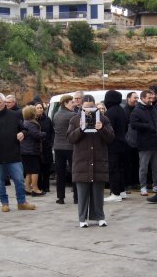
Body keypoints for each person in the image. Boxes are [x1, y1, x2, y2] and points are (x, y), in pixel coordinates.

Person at [0, 92, 35, 213]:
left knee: (19, 180)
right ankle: (4, 203)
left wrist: (23, 133)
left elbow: (25, 129)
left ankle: (22, 202)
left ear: (4, 103)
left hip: (13, 154)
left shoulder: (15, 115)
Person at [67, 94, 114, 227]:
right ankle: (82, 219)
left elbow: (111, 138)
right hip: (81, 161)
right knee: (82, 193)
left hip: (99, 160)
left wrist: (102, 129)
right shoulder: (75, 120)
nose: (89, 110)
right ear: (81, 107)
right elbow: (70, 138)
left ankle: (100, 216)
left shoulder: (104, 119)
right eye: (86, 108)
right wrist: (80, 129)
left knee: (98, 192)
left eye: (92, 107)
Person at [129, 89, 157, 197]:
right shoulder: (137, 110)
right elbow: (133, 124)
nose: (151, 100)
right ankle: (143, 187)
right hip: (144, 144)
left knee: (156, 167)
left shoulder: (152, 108)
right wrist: (147, 126)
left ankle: (156, 185)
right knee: (144, 167)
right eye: (149, 98)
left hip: (155, 143)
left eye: (152, 98)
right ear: (142, 98)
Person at [102, 90, 129, 202]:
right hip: (123, 143)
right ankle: (122, 191)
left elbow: (109, 131)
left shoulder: (110, 112)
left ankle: (115, 193)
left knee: (113, 169)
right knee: (120, 169)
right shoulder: (121, 110)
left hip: (113, 145)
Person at [52, 94, 79, 204]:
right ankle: (77, 197)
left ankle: (60, 197)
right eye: (71, 102)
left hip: (58, 147)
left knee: (60, 173)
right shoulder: (73, 115)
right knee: (75, 172)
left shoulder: (56, 115)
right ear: (65, 103)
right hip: (70, 147)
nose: (74, 104)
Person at [19, 105, 45, 196]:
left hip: (25, 150)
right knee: (35, 170)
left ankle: (27, 188)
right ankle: (35, 188)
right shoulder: (31, 123)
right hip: (32, 150)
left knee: (29, 170)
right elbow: (36, 135)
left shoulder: (25, 122)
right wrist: (43, 134)